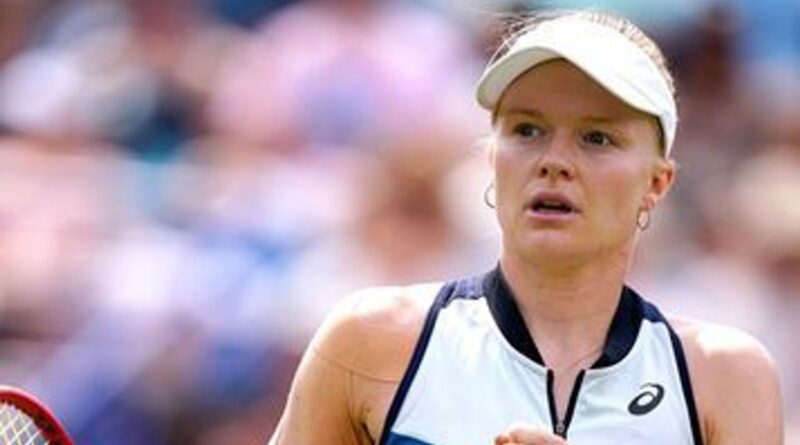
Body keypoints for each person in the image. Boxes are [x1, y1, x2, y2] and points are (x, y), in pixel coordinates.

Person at [267, 10, 783, 445]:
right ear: (491, 160)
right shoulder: (368, 338)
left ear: (657, 184)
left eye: (597, 138)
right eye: (527, 130)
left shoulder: (725, 376)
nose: (554, 161)